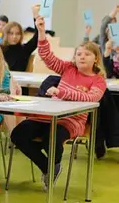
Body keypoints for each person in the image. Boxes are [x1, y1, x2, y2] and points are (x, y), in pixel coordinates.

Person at [10, 15, 107, 191]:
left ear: (96, 59)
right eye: (78, 54)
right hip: (46, 116)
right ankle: (48, 167)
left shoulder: (98, 81)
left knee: (51, 140)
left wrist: (62, 92)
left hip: (71, 121)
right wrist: (40, 31)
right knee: (18, 134)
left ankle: (51, 166)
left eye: (86, 54)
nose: (81, 57)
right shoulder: (68, 68)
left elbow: (91, 98)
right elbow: (47, 57)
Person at [0, 5, 40, 72]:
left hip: (19, 81)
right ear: (5, 34)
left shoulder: (25, 49)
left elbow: (37, 37)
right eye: (11, 33)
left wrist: (36, 16)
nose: (14, 37)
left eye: (17, 34)